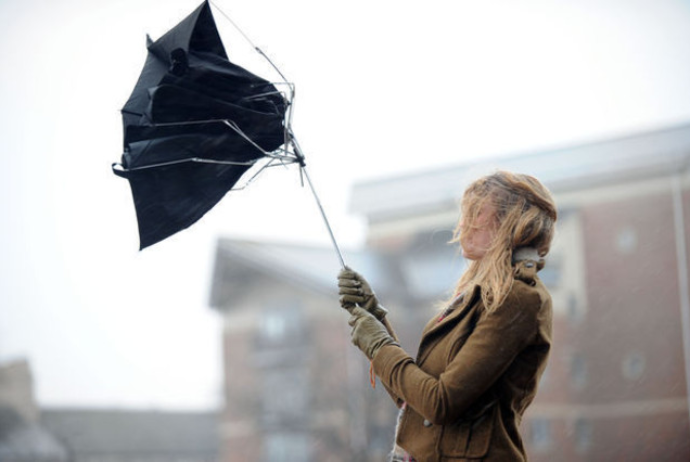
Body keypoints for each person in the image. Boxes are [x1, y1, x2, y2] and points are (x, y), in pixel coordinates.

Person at [338, 170, 557, 462]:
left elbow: (440, 403)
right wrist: (375, 317)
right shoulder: (475, 297)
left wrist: (379, 346)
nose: (463, 224)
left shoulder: (518, 298)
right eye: (465, 213)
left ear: (512, 221)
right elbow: (414, 401)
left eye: (477, 212)